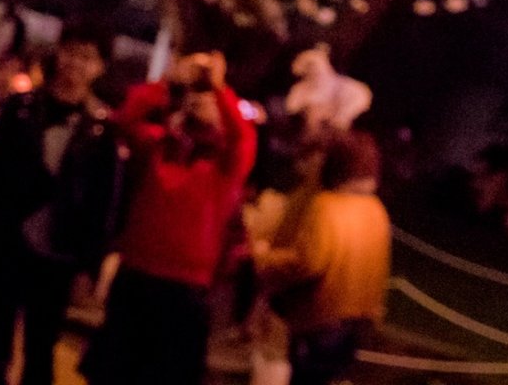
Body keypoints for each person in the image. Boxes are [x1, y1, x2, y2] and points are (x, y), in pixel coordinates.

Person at [0, 33, 122, 385]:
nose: (75, 64)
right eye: (71, 53)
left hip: (57, 252)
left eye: (87, 57)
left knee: (40, 347)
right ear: (58, 54)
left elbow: (104, 202)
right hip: (6, 238)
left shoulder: (102, 129)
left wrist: (90, 264)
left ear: (99, 67)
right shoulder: (21, 108)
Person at [82, 51, 257, 385]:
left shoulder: (225, 164)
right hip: (136, 274)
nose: (199, 104)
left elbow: (243, 137)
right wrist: (169, 81)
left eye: (208, 101)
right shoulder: (158, 144)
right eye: (195, 98)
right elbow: (125, 120)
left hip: (185, 289)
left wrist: (219, 90)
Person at [255, 132, 390, 385]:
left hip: (322, 319)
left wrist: (265, 258)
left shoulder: (327, 205)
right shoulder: (375, 209)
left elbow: (308, 262)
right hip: (358, 318)